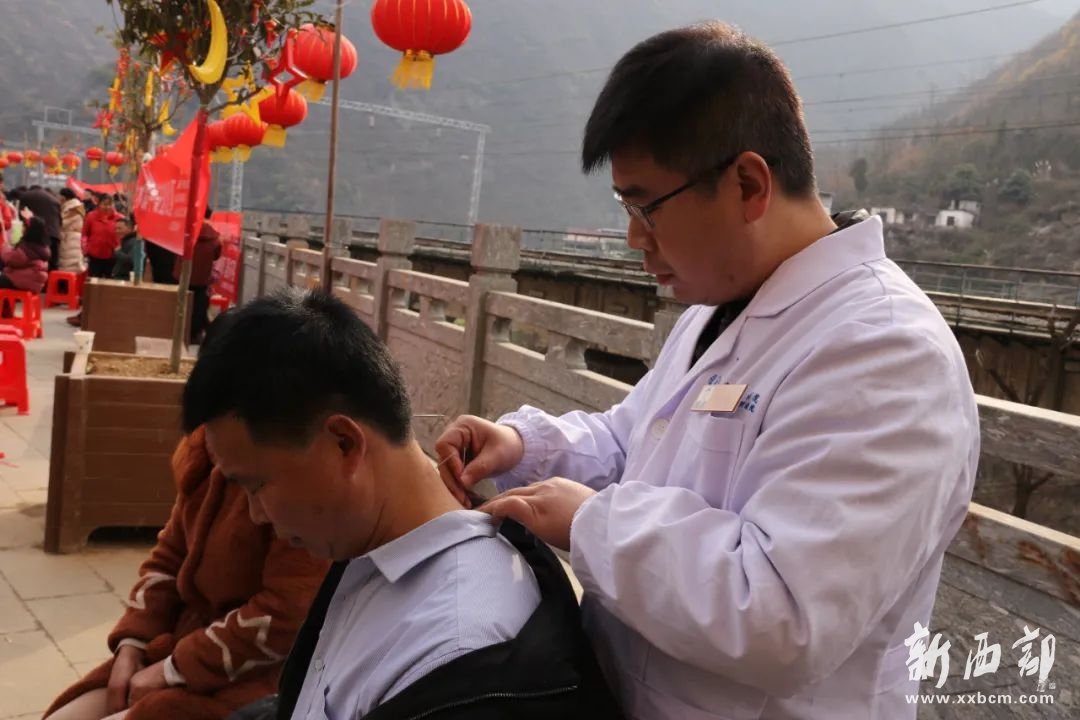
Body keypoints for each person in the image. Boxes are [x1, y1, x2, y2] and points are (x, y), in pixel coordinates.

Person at [435, 22, 979, 720]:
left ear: (748, 183)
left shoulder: (885, 352)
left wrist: (592, 524)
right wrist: (528, 448)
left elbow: (782, 616)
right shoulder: (718, 306)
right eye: (625, 207)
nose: (634, 238)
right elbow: (638, 441)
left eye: (647, 207)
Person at [183, 290, 621, 720]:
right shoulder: (366, 548)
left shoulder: (462, 657)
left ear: (343, 444)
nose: (256, 514)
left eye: (256, 486)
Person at [43, 427, 330, 720]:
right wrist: (133, 643)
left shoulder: (290, 470)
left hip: (255, 679)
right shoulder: (204, 455)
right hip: (178, 646)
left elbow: (288, 611)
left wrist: (176, 669)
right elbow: (168, 558)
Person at [175, 208, 222, 343]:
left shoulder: (185, 231)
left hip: (183, 275)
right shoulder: (215, 237)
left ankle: (179, 332)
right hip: (202, 277)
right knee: (199, 305)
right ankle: (194, 334)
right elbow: (216, 255)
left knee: (181, 303)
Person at [0, 215, 51, 293]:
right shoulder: (42, 246)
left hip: (21, 281)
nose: (22, 228)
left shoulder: (27, 249)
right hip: (33, 283)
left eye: (24, 226)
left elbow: (10, 259)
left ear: (30, 230)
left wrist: (4, 247)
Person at [17, 184, 63, 271]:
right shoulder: (54, 199)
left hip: (37, 236)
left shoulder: (26, 196)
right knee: (53, 264)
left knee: (35, 262)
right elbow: (60, 220)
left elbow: (22, 215)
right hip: (54, 234)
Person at [82, 193, 121, 278]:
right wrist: (85, 249)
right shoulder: (91, 216)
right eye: (105, 204)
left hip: (113, 256)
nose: (107, 207)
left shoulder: (119, 218)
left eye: (110, 204)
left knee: (110, 281)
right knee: (94, 280)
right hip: (94, 256)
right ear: (99, 204)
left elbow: (123, 235)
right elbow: (84, 234)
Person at [59, 187, 87, 272]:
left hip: (71, 239)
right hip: (71, 238)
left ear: (63, 197)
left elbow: (62, 224)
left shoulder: (73, 209)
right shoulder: (73, 207)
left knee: (70, 264)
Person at [111, 216, 141, 280]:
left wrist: (117, 252)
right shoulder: (126, 240)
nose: (117, 231)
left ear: (129, 229)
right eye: (116, 229)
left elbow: (132, 260)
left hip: (126, 279)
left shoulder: (134, 242)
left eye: (120, 228)